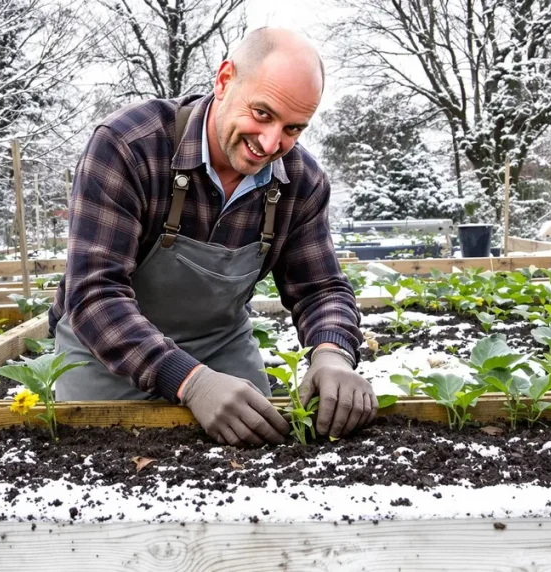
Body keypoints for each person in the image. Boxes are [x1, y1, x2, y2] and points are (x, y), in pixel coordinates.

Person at [47, 28, 375, 447]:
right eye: (262, 113)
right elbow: (94, 293)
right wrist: (191, 382)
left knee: (264, 460)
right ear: (224, 81)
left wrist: (332, 353)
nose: (271, 142)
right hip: (106, 355)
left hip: (219, 348)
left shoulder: (301, 181)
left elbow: (320, 288)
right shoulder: (129, 147)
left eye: (293, 128)